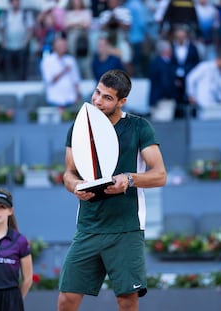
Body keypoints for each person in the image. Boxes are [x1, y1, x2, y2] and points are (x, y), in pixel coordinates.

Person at [57, 69, 167, 311]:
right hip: (88, 226)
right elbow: (68, 174)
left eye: (107, 97)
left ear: (122, 101)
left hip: (125, 228)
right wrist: (75, 186)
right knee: (66, 300)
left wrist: (129, 179)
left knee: (126, 302)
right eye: (97, 92)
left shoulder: (139, 127)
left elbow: (160, 175)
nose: (98, 100)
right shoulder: (79, 127)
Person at [186, 49, 221, 119]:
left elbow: (218, 89)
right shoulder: (205, 66)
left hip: (215, 105)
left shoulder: (219, 72)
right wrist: (191, 95)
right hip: (203, 103)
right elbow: (190, 78)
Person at [40, 33, 81, 108]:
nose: (63, 47)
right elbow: (49, 80)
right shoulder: (47, 61)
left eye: (64, 45)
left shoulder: (71, 60)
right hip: (55, 100)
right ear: (55, 46)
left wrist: (78, 95)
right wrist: (63, 71)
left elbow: (76, 80)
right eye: (60, 45)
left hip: (71, 99)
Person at [0, 0, 34, 81]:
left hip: (22, 46)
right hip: (8, 46)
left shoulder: (26, 14)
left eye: (17, 1)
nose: (15, 3)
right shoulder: (5, 15)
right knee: (9, 69)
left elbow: (31, 30)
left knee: (22, 70)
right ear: (10, 3)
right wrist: (3, 41)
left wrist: (26, 42)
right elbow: (2, 29)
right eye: (13, 1)